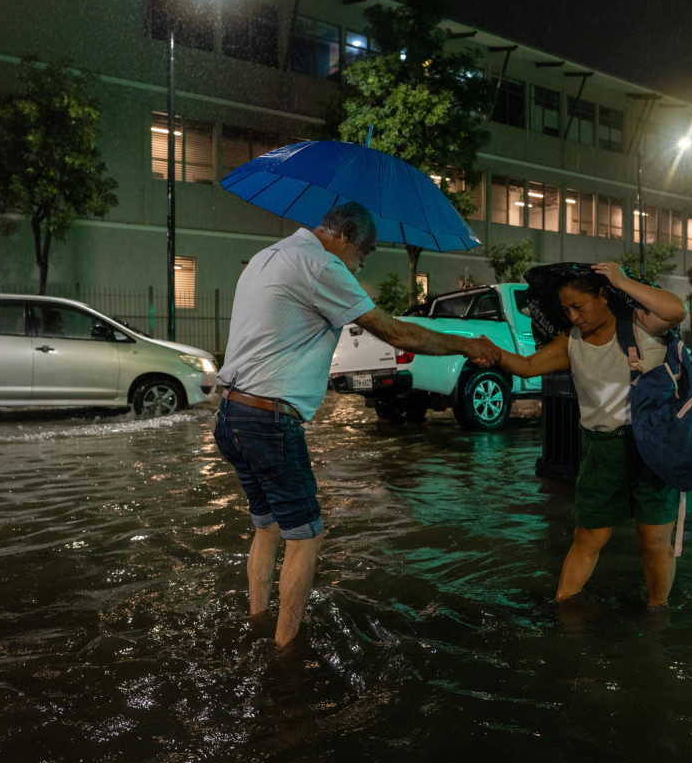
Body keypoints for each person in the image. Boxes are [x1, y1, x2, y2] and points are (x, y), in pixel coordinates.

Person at [214, 201, 499, 647]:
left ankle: (256, 622)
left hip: (230, 414)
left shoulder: (268, 257)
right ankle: (284, 651)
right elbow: (399, 334)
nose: (359, 264)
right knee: (306, 538)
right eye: (362, 253)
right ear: (345, 234)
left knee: (267, 528)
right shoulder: (320, 265)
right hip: (269, 420)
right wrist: (465, 345)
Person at [476, 262, 692, 608]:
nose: (573, 316)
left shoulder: (642, 324)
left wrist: (622, 279)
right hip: (600, 450)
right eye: (566, 309)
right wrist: (493, 353)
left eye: (579, 306)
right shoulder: (571, 341)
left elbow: (676, 309)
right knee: (587, 537)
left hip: (653, 447)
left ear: (603, 295)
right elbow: (528, 366)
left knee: (653, 540)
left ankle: (658, 613)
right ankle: (563, 607)